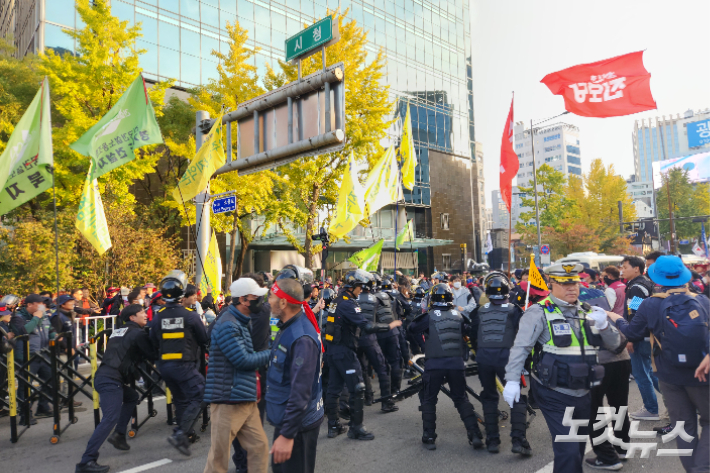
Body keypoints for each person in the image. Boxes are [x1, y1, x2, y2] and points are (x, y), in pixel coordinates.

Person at [503, 263, 622, 473]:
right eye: (565, 284)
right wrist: (512, 380)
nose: (572, 288)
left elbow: (616, 344)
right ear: (551, 284)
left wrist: (604, 325)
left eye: (574, 283)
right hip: (554, 392)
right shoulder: (538, 312)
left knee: (576, 448)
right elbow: (520, 348)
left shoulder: (589, 311)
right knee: (568, 450)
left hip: (585, 391)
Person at [607, 256, 709, 473]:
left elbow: (632, 330)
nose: (623, 270)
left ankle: (695, 469)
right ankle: (702, 467)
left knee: (683, 427)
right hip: (703, 373)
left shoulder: (648, 300)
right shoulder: (703, 301)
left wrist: (614, 318)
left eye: (625, 267)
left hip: (669, 372)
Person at [75, 305, 157, 473]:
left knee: (132, 396)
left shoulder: (118, 331)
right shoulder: (137, 333)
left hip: (105, 377)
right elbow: (152, 354)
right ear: (132, 317)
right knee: (110, 418)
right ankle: (86, 461)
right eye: (142, 312)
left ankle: (119, 435)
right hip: (111, 380)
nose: (145, 315)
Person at [322, 269, 402, 440]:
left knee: (334, 389)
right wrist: (389, 326)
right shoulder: (348, 304)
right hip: (344, 351)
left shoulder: (337, 300)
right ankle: (356, 428)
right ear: (352, 286)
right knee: (358, 387)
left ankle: (333, 426)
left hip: (333, 350)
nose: (360, 290)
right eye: (359, 287)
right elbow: (366, 326)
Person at [203, 278, 271, 473]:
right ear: (243, 299)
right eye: (256, 297)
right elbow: (242, 360)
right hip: (228, 399)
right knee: (218, 460)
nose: (260, 300)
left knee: (259, 449)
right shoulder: (228, 325)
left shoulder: (240, 321)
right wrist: (273, 353)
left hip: (244, 398)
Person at [409, 283, 484, 451]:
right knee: (461, 398)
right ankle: (474, 434)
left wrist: (424, 340)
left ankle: (429, 437)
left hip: (434, 363)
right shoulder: (458, 315)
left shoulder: (428, 316)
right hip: (456, 364)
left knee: (429, 399)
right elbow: (468, 331)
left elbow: (411, 329)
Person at [267, 278, 323, 473]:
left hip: (299, 427)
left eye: (271, 296)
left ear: (283, 302)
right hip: (288, 421)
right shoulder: (288, 326)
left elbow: (300, 392)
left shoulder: (302, 337)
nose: (268, 301)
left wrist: (287, 435)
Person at [470, 274, 530, 455]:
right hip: (508, 359)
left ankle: (492, 441)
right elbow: (523, 337)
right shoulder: (514, 310)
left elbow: (473, 337)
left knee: (489, 397)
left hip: (484, 359)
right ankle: (518, 440)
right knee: (516, 397)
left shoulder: (478, 312)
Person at [150, 270, 209, 455]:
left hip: (165, 367)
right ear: (182, 293)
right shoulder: (190, 315)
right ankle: (181, 433)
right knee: (201, 394)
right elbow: (204, 338)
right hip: (184, 365)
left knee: (182, 400)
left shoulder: (159, 315)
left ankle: (184, 435)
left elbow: (153, 340)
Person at [620, 255, 661, 421]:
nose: (622, 270)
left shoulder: (636, 287)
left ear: (636, 268)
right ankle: (677, 401)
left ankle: (651, 409)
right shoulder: (647, 283)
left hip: (639, 336)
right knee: (651, 372)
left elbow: (635, 314)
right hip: (649, 335)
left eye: (625, 267)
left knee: (641, 374)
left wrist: (630, 337)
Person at [356, 273, 397, 412]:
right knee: (382, 368)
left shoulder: (351, 299)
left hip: (356, 339)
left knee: (362, 369)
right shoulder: (375, 299)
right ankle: (386, 402)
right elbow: (382, 318)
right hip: (370, 338)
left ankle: (368, 397)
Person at [18, 294, 55, 423]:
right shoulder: (19, 317)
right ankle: (25, 415)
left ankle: (43, 406)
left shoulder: (43, 316)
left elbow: (50, 330)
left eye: (42, 304)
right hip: (28, 356)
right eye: (38, 304)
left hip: (43, 354)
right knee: (25, 386)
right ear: (29, 305)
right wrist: (35, 318)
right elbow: (23, 331)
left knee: (50, 379)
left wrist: (56, 337)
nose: (42, 306)